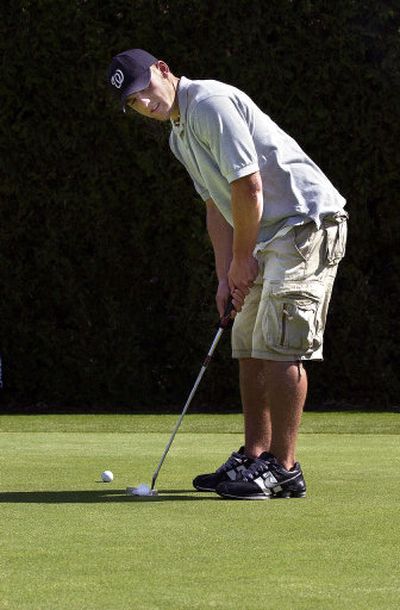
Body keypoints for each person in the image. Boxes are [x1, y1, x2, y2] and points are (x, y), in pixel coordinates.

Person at [108, 49, 348, 500]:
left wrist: (242, 260)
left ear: (163, 69)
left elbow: (248, 186)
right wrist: (225, 276)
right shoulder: (179, 135)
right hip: (265, 235)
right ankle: (255, 457)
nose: (144, 103)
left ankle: (284, 468)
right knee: (249, 343)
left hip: (304, 224)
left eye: (145, 90)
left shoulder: (207, 103)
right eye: (134, 102)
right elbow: (217, 204)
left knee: (280, 343)